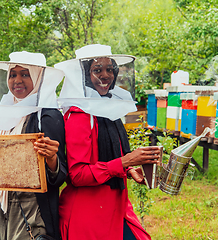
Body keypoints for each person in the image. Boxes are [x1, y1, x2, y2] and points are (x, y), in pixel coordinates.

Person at [55, 44, 160, 240]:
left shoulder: (108, 109)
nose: (105, 75)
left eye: (109, 69)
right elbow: (77, 175)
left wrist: (129, 170)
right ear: (84, 75)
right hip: (88, 215)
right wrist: (125, 162)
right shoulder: (79, 115)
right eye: (97, 70)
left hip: (116, 206)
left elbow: (111, 154)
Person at [0, 51, 68, 240]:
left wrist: (52, 158)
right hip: (2, 203)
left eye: (25, 74)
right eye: (13, 75)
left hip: (32, 208)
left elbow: (60, 175)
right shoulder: (6, 112)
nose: (17, 80)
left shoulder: (47, 115)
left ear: (38, 77)